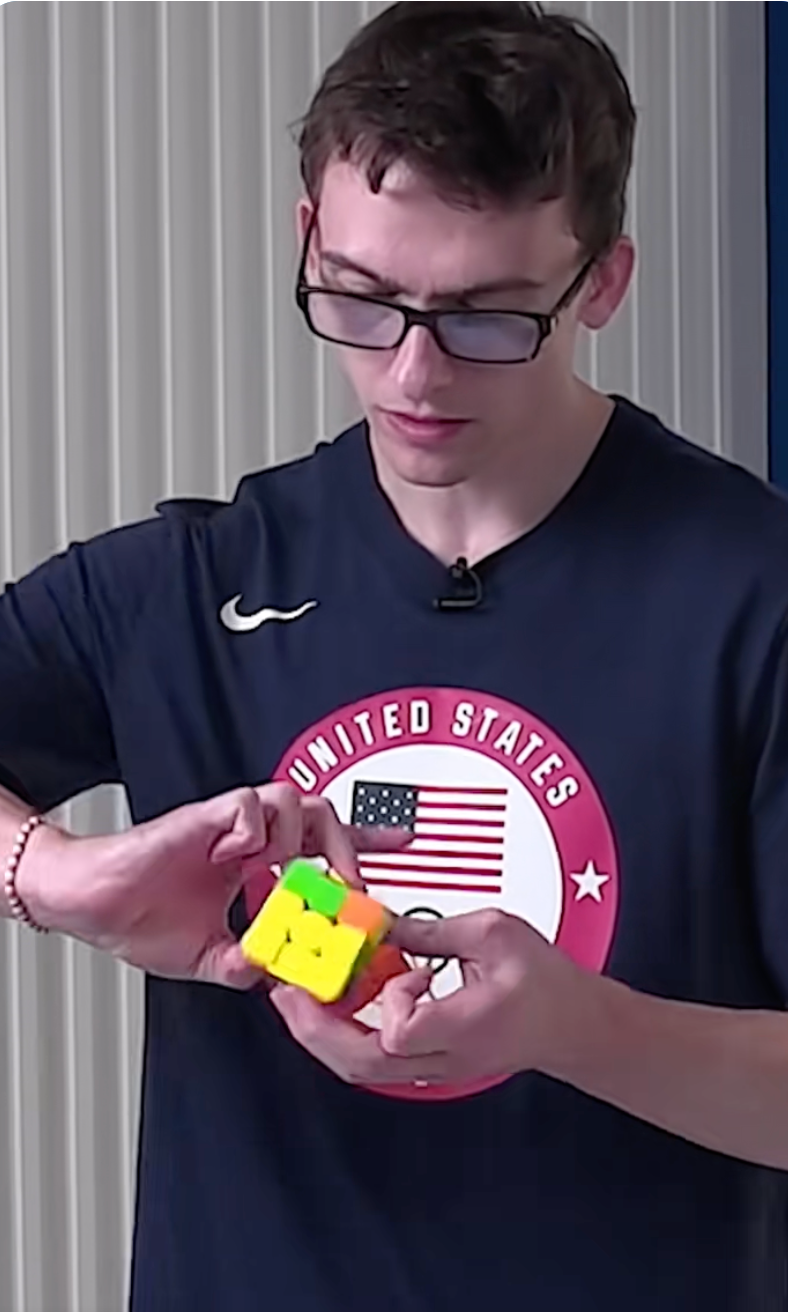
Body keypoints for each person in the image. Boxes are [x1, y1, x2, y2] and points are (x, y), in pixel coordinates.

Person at [1, 2, 787, 1308]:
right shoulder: (196, 585)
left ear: (601, 278)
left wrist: (579, 1027)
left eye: (486, 317)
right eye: (362, 302)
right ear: (310, 233)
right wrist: (54, 875)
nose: (415, 373)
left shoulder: (753, 597)